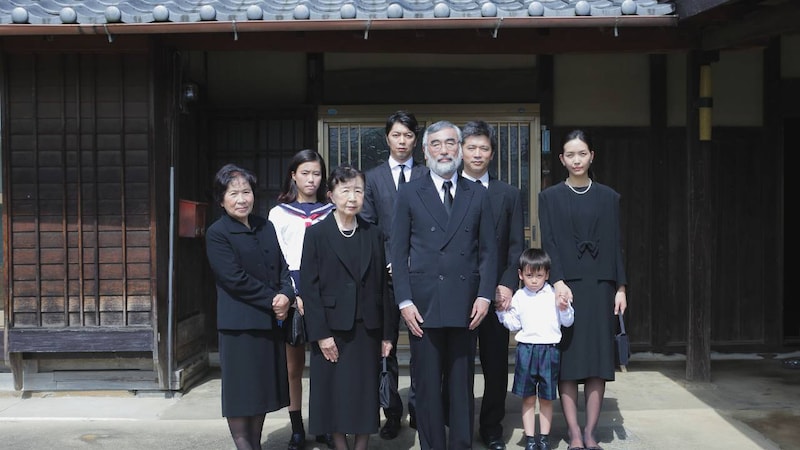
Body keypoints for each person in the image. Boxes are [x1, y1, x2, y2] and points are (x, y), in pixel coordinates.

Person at [391, 120, 498, 450]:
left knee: (461, 383)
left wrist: (484, 295)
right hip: (422, 305)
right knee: (425, 385)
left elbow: (488, 251)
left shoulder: (477, 194)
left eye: (450, 143)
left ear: (459, 149)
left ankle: (461, 444)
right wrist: (404, 301)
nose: (444, 150)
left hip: (466, 304)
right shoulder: (410, 192)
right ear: (425, 151)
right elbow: (398, 251)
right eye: (436, 144)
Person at [538, 129, 627, 450]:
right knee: (568, 362)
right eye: (570, 155)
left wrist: (621, 287)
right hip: (566, 287)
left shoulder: (609, 197)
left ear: (592, 156)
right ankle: (574, 433)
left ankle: (590, 432)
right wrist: (558, 281)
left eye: (582, 153)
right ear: (561, 159)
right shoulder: (548, 197)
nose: (577, 160)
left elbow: (616, 244)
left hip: (601, 286)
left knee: (597, 362)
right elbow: (549, 242)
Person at [300, 165, 398, 450]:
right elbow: (309, 288)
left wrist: (388, 335)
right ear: (331, 195)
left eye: (358, 191)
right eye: (345, 191)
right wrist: (321, 334)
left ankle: (361, 447)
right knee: (334, 395)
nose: (353, 197)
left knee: (364, 394)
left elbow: (383, 287)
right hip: (331, 329)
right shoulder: (317, 234)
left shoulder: (373, 233)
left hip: (368, 328)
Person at [205, 163, 295, 450]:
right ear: (221, 200)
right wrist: (274, 300)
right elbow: (234, 279)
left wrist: (287, 294)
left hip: (268, 324)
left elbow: (283, 267)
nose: (241, 199)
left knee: (260, 395)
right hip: (239, 328)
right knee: (241, 396)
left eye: (246, 192)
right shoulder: (217, 233)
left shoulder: (265, 226)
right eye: (233, 194)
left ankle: (255, 445)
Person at [360, 110, 428, 438]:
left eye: (408, 136)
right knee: (385, 345)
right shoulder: (372, 178)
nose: (402, 142)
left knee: (422, 344)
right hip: (384, 275)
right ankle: (392, 411)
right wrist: (391, 261)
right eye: (396, 135)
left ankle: (419, 407)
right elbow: (369, 225)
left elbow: (433, 224)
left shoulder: (428, 175)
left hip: (422, 273)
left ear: (416, 139)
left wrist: (413, 259)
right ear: (386, 137)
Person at [459, 120, 525, 450]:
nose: (477, 153)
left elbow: (515, 246)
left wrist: (508, 284)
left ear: (492, 153)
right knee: (457, 366)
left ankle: (491, 426)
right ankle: (458, 425)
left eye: (483, 148)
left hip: (497, 294)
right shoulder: (448, 189)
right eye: (471, 147)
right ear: (461, 151)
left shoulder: (509, 194)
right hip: (457, 293)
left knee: (496, 364)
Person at [267, 149, 335, 450]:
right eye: (305, 173)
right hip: (291, 292)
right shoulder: (279, 214)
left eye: (316, 173)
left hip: (325, 293)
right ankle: (297, 427)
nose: (311, 179)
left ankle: (324, 424)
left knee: (326, 364)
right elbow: (276, 258)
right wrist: (294, 294)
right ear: (293, 175)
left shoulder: (331, 210)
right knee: (293, 367)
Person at [496, 248, 575, 450]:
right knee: (528, 398)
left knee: (547, 398)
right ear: (520, 274)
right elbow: (514, 324)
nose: (534, 280)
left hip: (550, 350)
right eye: (529, 275)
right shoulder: (519, 297)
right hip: (526, 351)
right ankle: (530, 438)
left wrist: (565, 308)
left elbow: (567, 322)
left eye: (539, 276)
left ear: (547, 274)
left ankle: (544, 438)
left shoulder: (554, 294)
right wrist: (501, 312)